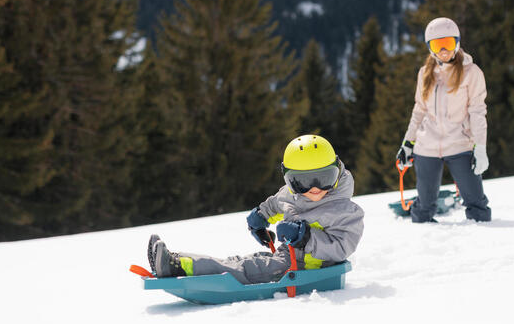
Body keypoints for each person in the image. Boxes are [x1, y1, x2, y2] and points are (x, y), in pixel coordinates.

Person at [147, 134, 365, 282]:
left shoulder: (344, 209)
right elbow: (276, 203)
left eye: (325, 178)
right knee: (240, 262)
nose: (315, 189)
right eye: (303, 182)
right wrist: (260, 218)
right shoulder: (292, 194)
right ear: (290, 180)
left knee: (246, 271)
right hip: (287, 258)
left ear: (337, 172)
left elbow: (342, 247)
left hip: (312, 270)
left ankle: (179, 267)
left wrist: (305, 236)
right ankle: (175, 259)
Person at [396, 17, 491, 223]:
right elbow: (419, 110)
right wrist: (408, 143)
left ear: (457, 43)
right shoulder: (425, 73)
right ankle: (422, 240)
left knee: (476, 205)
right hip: (426, 148)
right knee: (423, 208)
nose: (444, 50)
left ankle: (481, 241)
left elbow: (477, 112)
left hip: (459, 145)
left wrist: (480, 147)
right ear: (430, 48)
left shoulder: (471, 72)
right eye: (438, 45)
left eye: (448, 43)